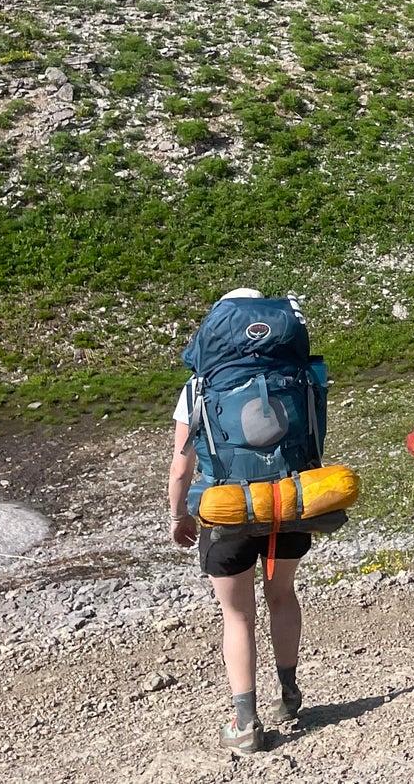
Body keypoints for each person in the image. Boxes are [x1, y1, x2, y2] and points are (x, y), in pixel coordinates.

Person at [167, 288, 311, 755]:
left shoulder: (200, 385)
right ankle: (289, 697)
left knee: (237, 614)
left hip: (225, 508)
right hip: (286, 503)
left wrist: (179, 516)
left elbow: (180, 467)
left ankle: (245, 722)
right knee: (282, 595)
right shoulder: (297, 376)